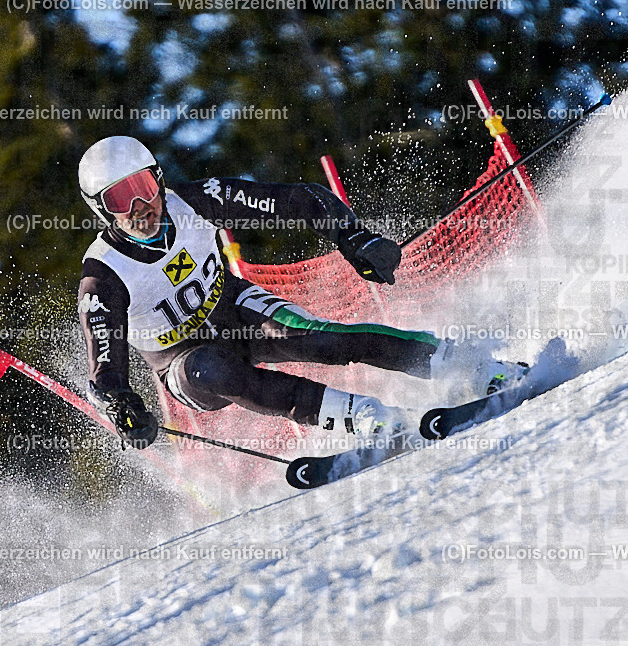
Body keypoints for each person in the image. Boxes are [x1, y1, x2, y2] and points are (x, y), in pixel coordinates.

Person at [77, 136, 524, 449]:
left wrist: (353, 236)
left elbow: (296, 200)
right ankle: (362, 415)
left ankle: (471, 366)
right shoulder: (103, 277)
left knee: (317, 338)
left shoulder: (196, 200)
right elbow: (105, 366)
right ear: (100, 209)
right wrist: (122, 406)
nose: (140, 207)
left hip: (235, 308)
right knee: (214, 370)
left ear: (159, 179)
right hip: (181, 361)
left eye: (143, 187)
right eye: (120, 199)